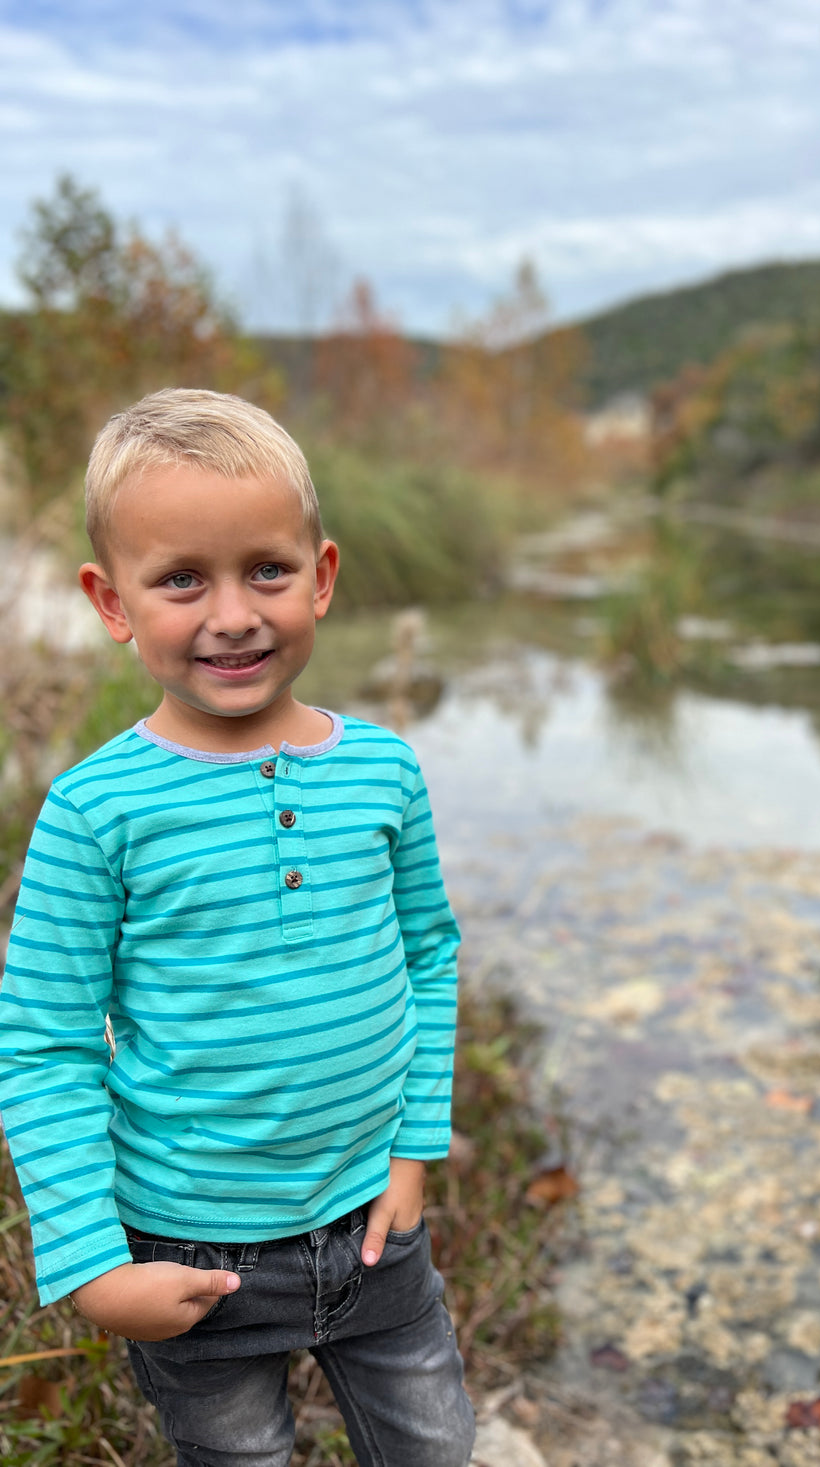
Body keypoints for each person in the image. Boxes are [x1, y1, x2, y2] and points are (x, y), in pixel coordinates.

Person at [0, 388, 477, 1467]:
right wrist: (90, 1265)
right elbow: (45, 1045)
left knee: (435, 1451)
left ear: (322, 575)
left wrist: (412, 1155)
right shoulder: (95, 811)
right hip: (191, 1254)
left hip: (373, 1226)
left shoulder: (383, 771)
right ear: (110, 602)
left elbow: (429, 956)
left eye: (266, 569)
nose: (231, 615)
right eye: (180, 580)